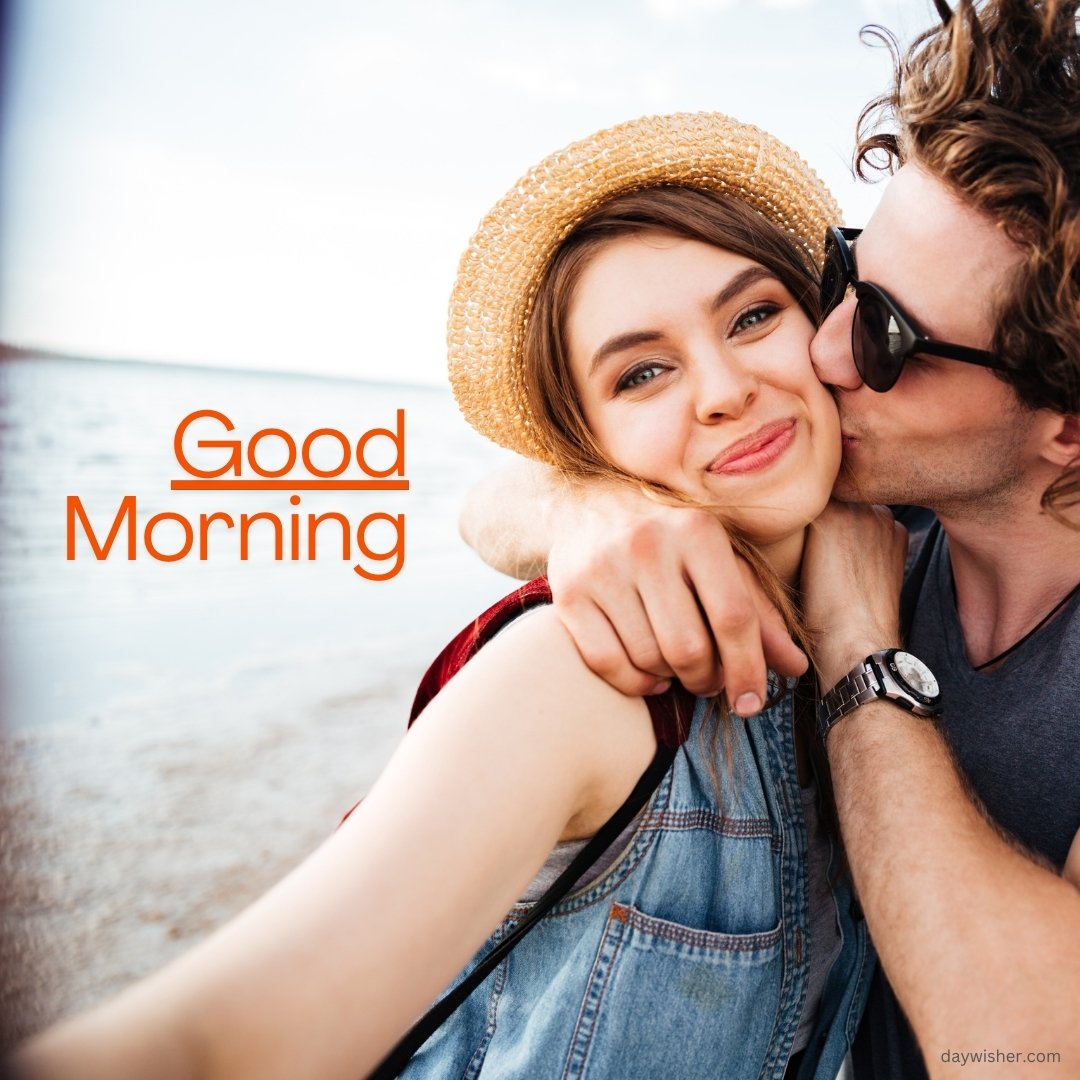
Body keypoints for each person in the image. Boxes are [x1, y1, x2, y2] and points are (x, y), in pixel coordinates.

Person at [11, 113, 871, 1080]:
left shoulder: (907, 598)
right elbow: (225, 1038)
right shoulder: (578, 675)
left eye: (753, 315)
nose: (722, 388)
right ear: (591, 451)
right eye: (642, 373)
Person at [462, 2, 1080, 1077]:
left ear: (1065, 426)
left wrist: (856, 652)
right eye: (844, 278)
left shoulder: (877, 537)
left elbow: (1025, 1050)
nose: (825, 349)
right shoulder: (872, 477)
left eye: (889, 335)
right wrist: (593, 509)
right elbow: (488, 499)